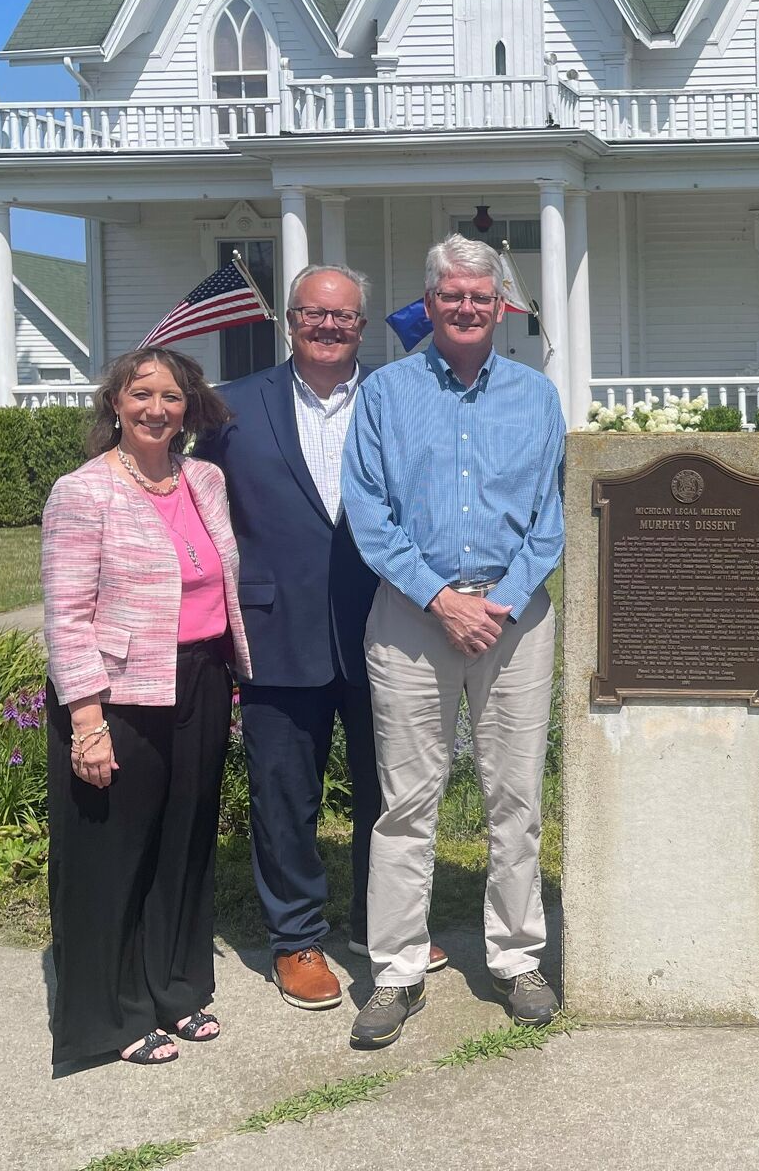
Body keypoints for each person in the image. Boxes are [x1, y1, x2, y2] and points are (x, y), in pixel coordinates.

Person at [196, 265, 447, 1010]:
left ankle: (387, 925)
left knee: (392, 789)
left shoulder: (401, 399)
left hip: (389, 623)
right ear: (291, 321)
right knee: (284, 795)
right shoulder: (231, 409)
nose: (328, 327)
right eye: (314, 314)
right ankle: (296, 938)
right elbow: (201, 513)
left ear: (362, 326)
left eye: (342, 317)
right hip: (277, 630)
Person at [340, 234, 565, 1048]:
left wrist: (496, 603)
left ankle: (515, 957)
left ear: (502, 305)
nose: (467, 309)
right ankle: (395, 971)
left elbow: (551, 517)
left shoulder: (537, 397)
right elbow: (368, 509)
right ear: (429, 304)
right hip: (410, 616)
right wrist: (440, 598)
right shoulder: (386, 394)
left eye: (481, 296)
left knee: (516, 799)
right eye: (451, 297)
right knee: (406, 803)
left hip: (514, 617)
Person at [41, 346, 249, 1071]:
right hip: (118, 697)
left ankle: (176, 987)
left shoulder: (206, 480)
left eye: (171, 396)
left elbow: (216, 581)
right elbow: (66, 617)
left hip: (198, 678)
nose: (156, 409)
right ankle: (112, 1014)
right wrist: (88, 725)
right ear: (115, 404)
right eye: (141, 395)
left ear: (189, 407)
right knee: (113, 858)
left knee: (184, 845)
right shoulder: (82, 492)